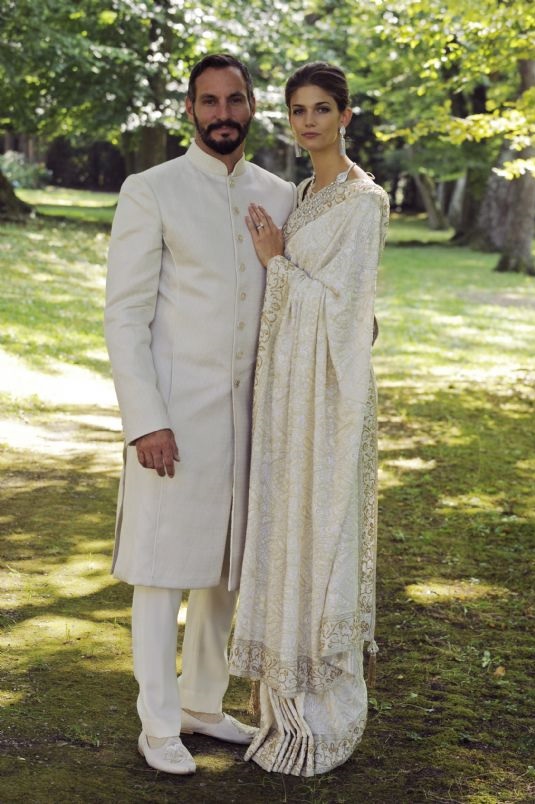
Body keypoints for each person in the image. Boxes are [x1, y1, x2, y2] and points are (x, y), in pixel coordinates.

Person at [104, 53, 296, 775]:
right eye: (209, 101)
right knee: (161, 571)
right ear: (189, 109)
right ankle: (157, 722)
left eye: (235, 100)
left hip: (252, 423)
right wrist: (144, 420)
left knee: (225, 572)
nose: (222, 113)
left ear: (251, 108)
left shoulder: (280, 196)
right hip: (172, 421)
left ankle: (202, 703)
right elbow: (123, 317)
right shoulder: (149, 190)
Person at [229, 62, 389, 776]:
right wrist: (284, 267)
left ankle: (323, 705)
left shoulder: (364, 200)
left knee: (322, 526)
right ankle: (280, 696)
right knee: (287, 521)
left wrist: (276, 264)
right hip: (288, 395)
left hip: (331, 396)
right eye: (297, 110)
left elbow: (349, 314)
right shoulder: (301, 193)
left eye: (321, 109)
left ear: (345, 116)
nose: (308, 122)